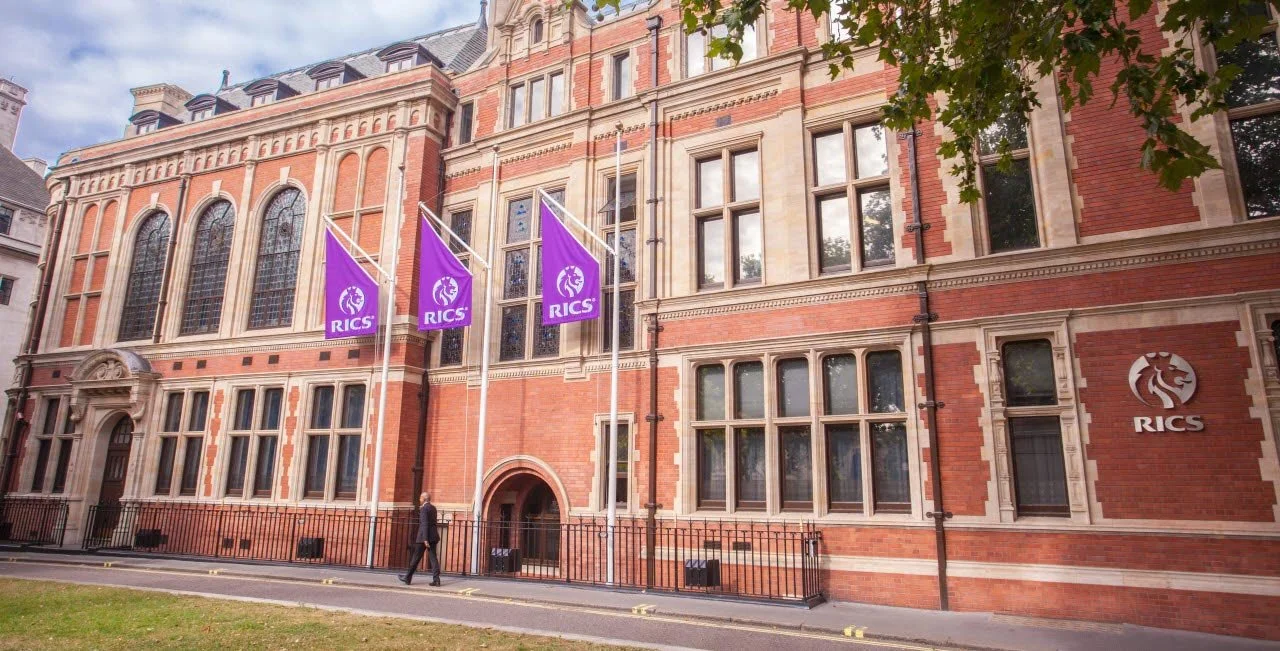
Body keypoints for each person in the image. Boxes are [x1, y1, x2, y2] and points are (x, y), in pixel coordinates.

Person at [399, 491, 440, 586]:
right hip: (434, 536)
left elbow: (425, 523)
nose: (419, 499)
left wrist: (425, 539)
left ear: (424, 499)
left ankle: (407, 578)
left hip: (423, 538)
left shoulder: (424, 509)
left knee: (416, 558)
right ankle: (436, 580)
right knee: (433, 559)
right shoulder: (433, 508)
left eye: (420, 498)